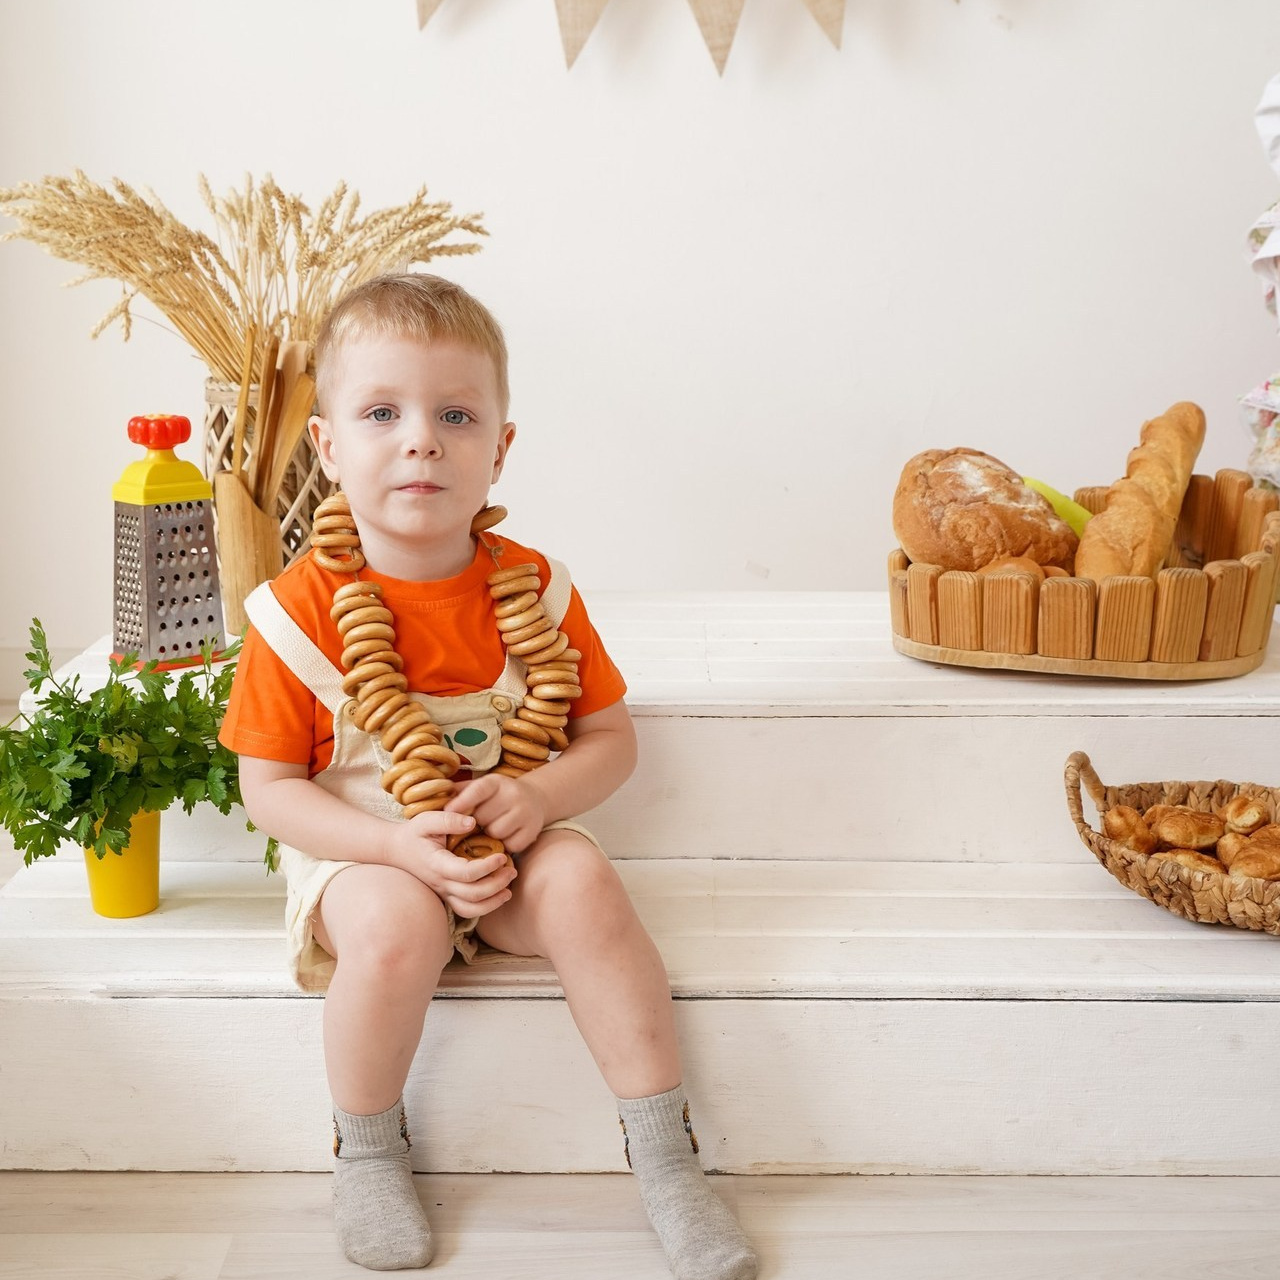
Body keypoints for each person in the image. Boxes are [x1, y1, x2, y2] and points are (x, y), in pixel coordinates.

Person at [219, 273, 757, 1279]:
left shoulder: (538, 589)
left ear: (499, 446)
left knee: (586, 881)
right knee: (397, 921)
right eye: (382, 411)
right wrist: (385, 842)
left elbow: (608, 738)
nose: (420, 438)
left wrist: (541, 796)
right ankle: (369, 1148)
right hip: (365, 851)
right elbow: (269, 790)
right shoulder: (294, 614)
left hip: (508, 843)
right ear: (328, 445)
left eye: (454, 414)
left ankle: (665, 1152)